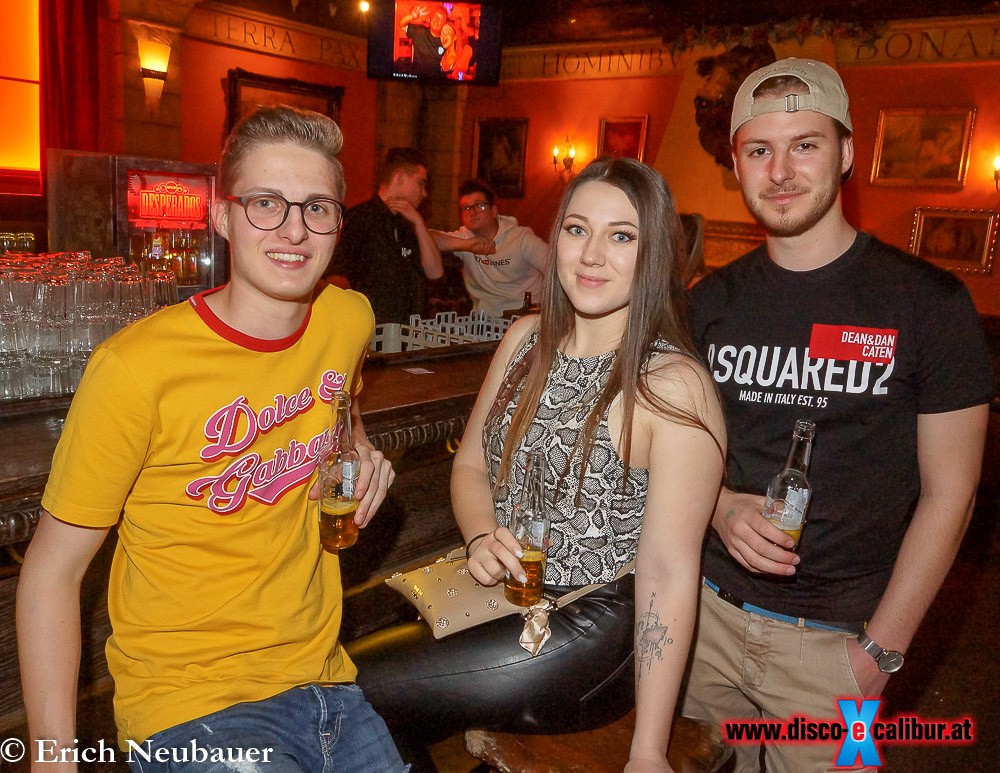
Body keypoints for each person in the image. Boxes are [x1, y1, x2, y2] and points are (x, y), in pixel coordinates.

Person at [16, 105, 404, 772]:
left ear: (338, 224)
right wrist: (52, 761)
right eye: (266, 203)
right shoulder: (135, 368)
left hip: (327, 684)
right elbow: (51, 572)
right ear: (222, 216)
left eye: (317, 208)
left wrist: (360, 456)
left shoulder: (348, 319)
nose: (294, 229)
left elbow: (343, 416)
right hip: (189, 706)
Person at [348, 157, 726, 773]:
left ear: (654, 254)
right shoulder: (525, 339)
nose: (592, 255)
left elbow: (669, 573)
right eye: (577, 230)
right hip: (504, 597)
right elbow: (472, 468)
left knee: (350, 689)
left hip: (591, 622)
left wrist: (648, 750)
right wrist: (480, 537)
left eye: (622, 235)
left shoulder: (672, 384)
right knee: (347, 679)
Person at [683, 58, 994, 772]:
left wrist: (880, 653)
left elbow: (953, 493)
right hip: (704, 623)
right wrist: (720, 508)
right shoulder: (708, 304)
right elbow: (674, 452)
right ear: (736, 164)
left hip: (834, 644)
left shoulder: (928, 304)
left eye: (805, 145)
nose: (780, 171)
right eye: (759, 150)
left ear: (847, 153)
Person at [328, 147, 445, 324]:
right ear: (400, 177)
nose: (424, 193)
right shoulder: (361, 218)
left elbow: (435, 272)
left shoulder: (408, 223)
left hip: (406, 330)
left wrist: (419, 223)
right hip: (372, 330)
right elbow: (336, 277)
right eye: (420, 183)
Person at [431, 179, 548, 317]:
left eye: (479, 205)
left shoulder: (521, 238)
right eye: (466, 208)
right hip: (484, 320)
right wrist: (467, 245)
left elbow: (555, 267)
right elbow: (427, 237)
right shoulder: (464, 237)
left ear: (493, 211)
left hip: (525, 317)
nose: (472, 212)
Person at [398, 4, 448, 76]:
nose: (436, 20)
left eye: (440, 19)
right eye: (434, 17)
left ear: (444, 23)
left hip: (435, 80)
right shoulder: (419, 32)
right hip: (416, 78)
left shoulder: (446, 40)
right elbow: (401, 25)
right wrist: (411, 16)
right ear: (430, 19)